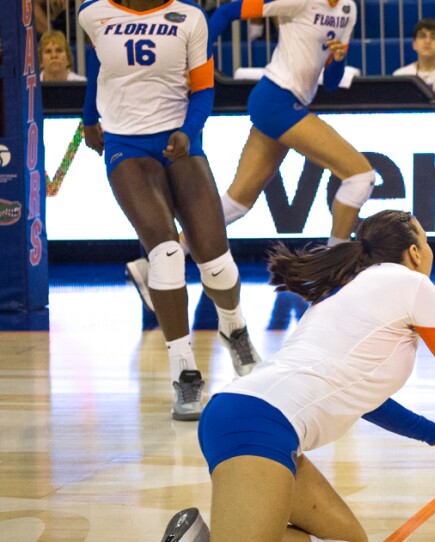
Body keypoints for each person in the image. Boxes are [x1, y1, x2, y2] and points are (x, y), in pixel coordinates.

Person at [160, 210, 435, 541]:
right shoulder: (412, 285)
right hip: (259, 423)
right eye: (426, 238)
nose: (429, 247)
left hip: (252, 418)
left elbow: (362, 395)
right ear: (414, 252)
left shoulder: (346, 290)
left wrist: (431, 433)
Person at [124, 0, 375, 309]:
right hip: (276, 99)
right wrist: (196, 65)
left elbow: (333, 83)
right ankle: (334, 276)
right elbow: (228, 12)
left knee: (237, 202)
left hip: (285, 102)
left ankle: (154, 265)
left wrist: (338, 58)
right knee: (361, 175)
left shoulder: (348, 9)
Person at [78, 0, 261, 421]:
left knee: (216, 263)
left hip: (181, 142)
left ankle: (234, 327)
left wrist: (188, 132)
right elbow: (98, 68)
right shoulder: (93, 13)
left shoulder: (190, 16)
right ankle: (185, 372)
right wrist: (90, 117)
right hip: (125, 145)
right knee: (165, 253)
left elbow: (203, 88)